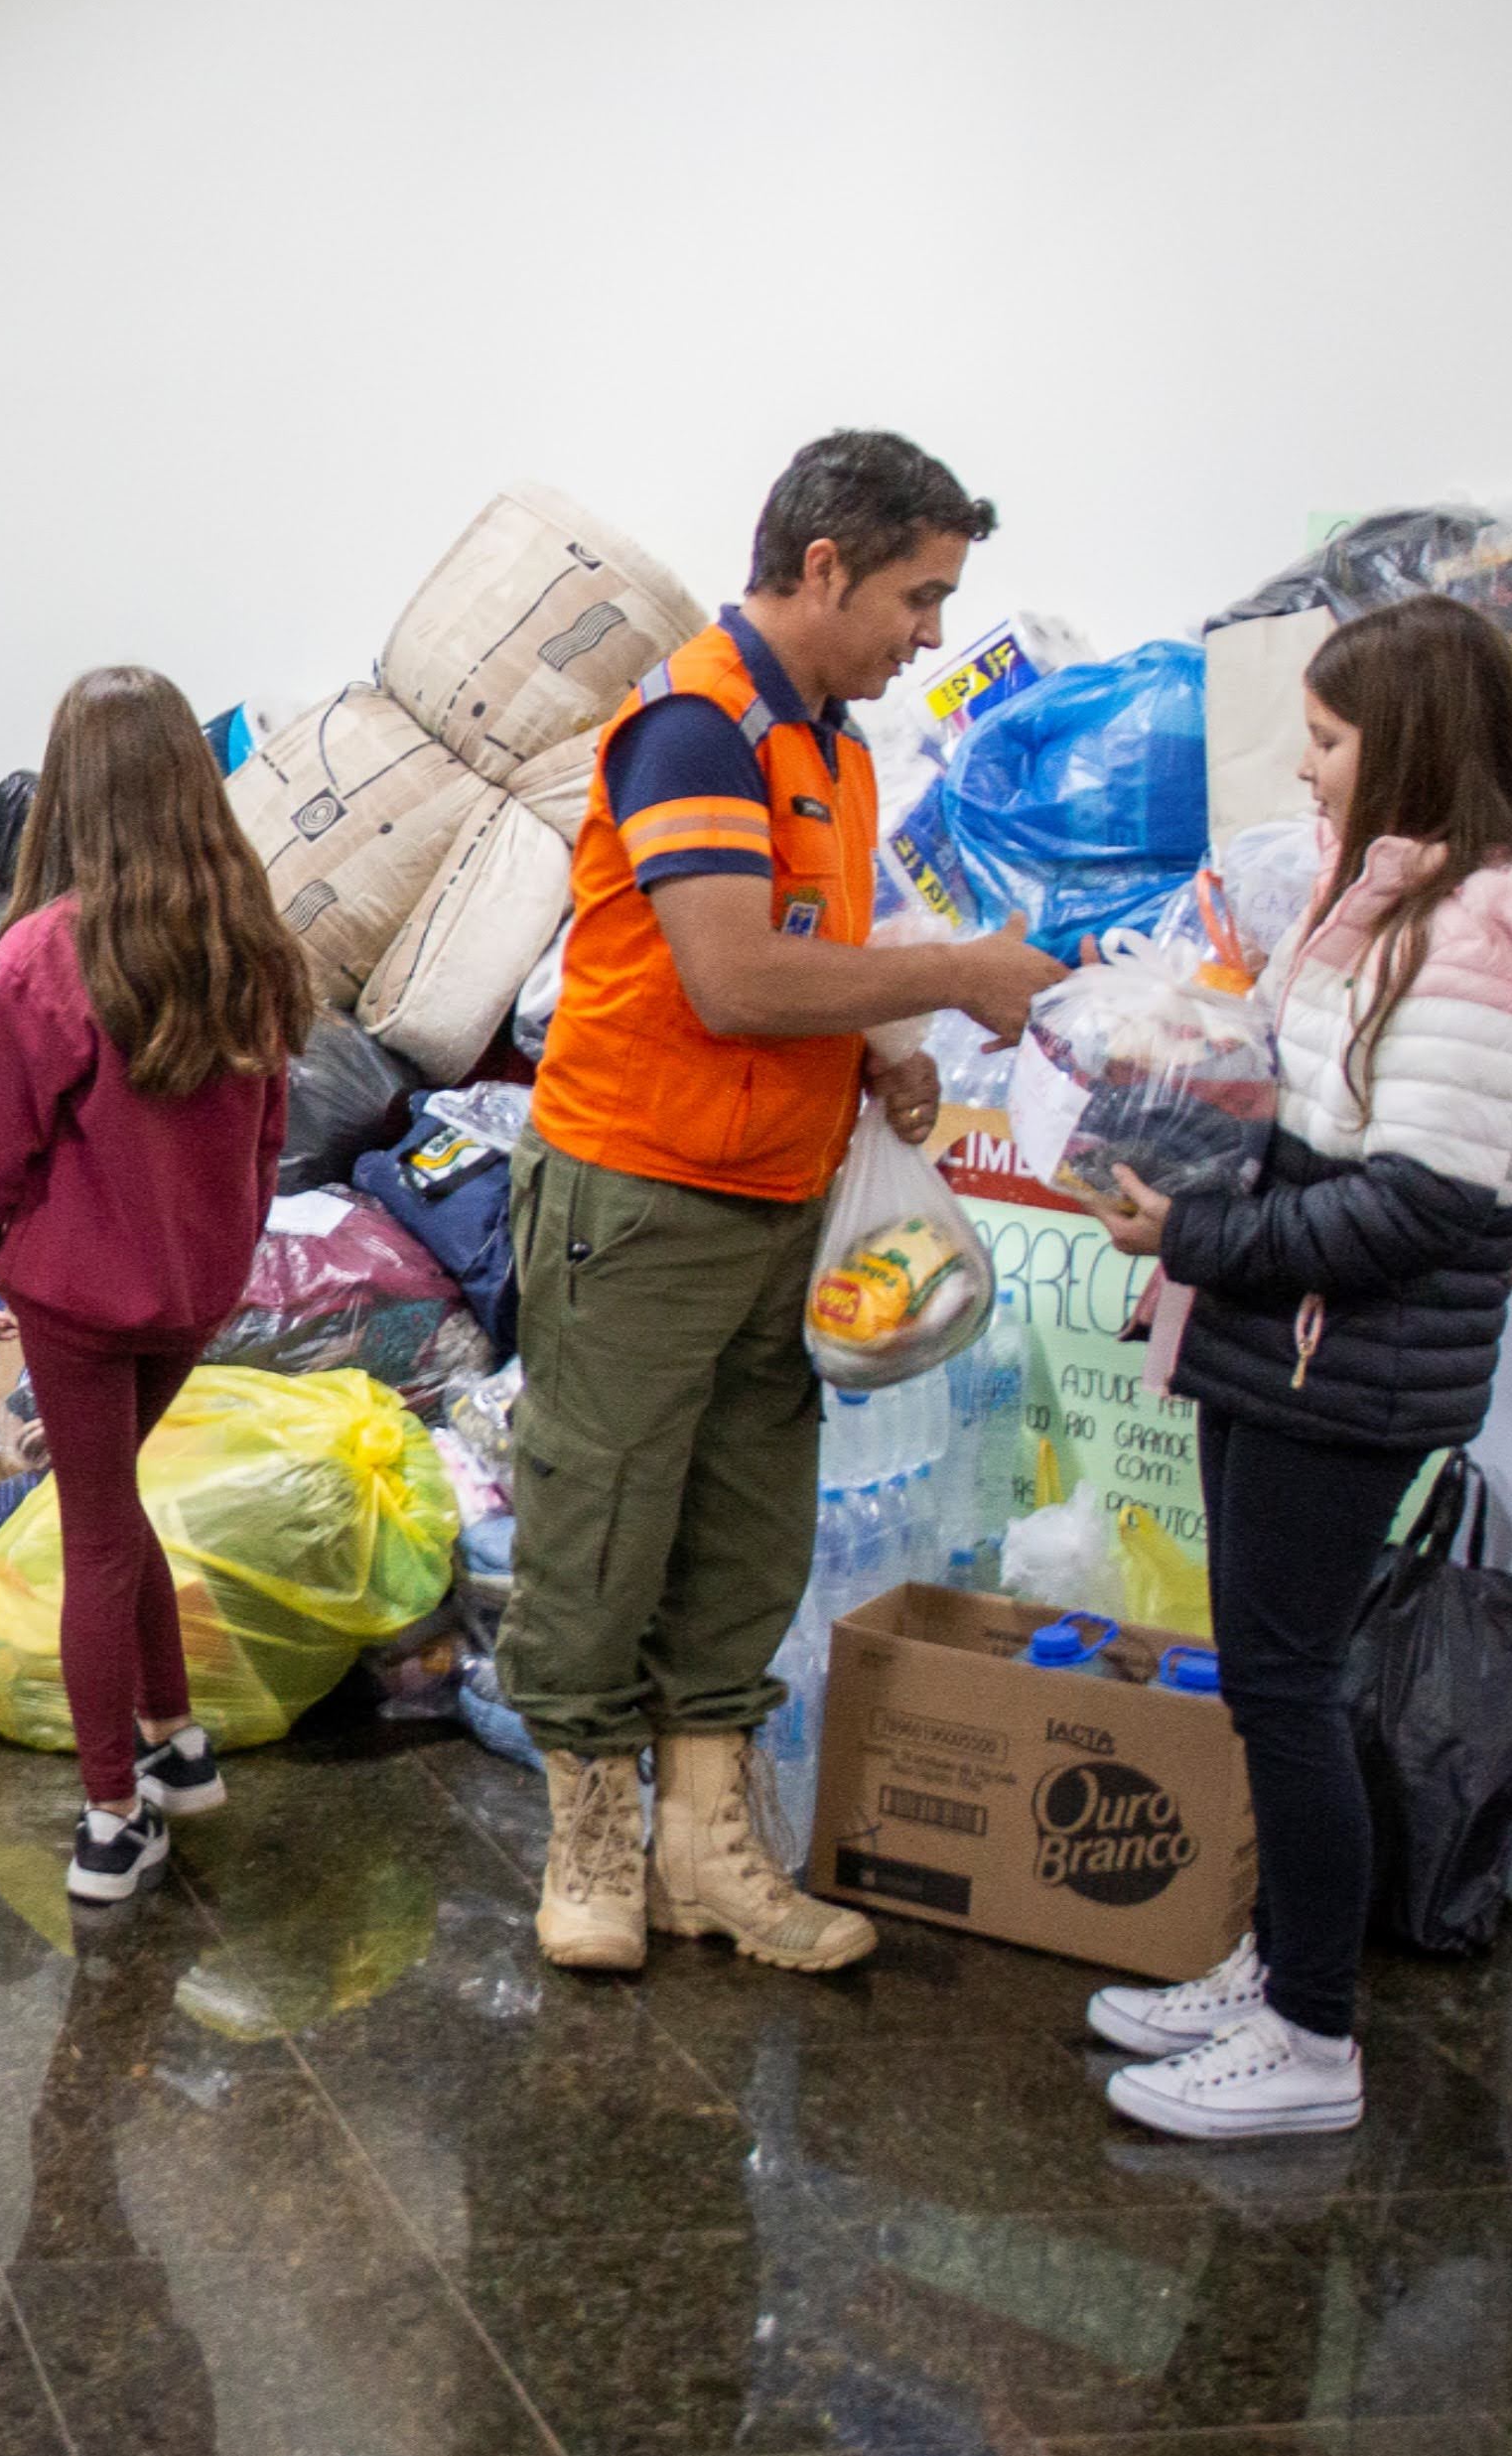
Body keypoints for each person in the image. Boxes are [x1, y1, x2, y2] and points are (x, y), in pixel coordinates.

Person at [1066, 597, 1512, 2140]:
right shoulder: (1384, 906)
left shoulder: (1473, 945)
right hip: (1282, 1351)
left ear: (1402, 743)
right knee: (1273, 1681)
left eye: (1330, 742)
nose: (1309, 773)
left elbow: (1420, 1202)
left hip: (1343, 1369)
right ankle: (1277, 1962)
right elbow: (1329, 1127)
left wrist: (1201, 1225)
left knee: (1287, 1690)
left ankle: (1309, 2041)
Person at [505, 431, 1065, 1976]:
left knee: (746, 1529)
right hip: (638, 1197)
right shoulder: (697, 724)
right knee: (600, 1517)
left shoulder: (832, 741)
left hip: (777, 1200)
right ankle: (589, 1847)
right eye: (916, 595)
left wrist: (884, 1042)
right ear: (822, 566)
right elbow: (735, 974)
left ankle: (706, 1848)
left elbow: (816, 930)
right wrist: (952, 977)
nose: (928, 636)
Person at [0, 669, 300, 1905]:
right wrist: (220, 1265)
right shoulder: (247, 940)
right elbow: (265, 1139)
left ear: (68, 793)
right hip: (191, 1296)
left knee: (89, 1532)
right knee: (110, 1498)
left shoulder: (43, 957)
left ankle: (108, 1821)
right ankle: (175, 1740)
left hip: (77, 1302)